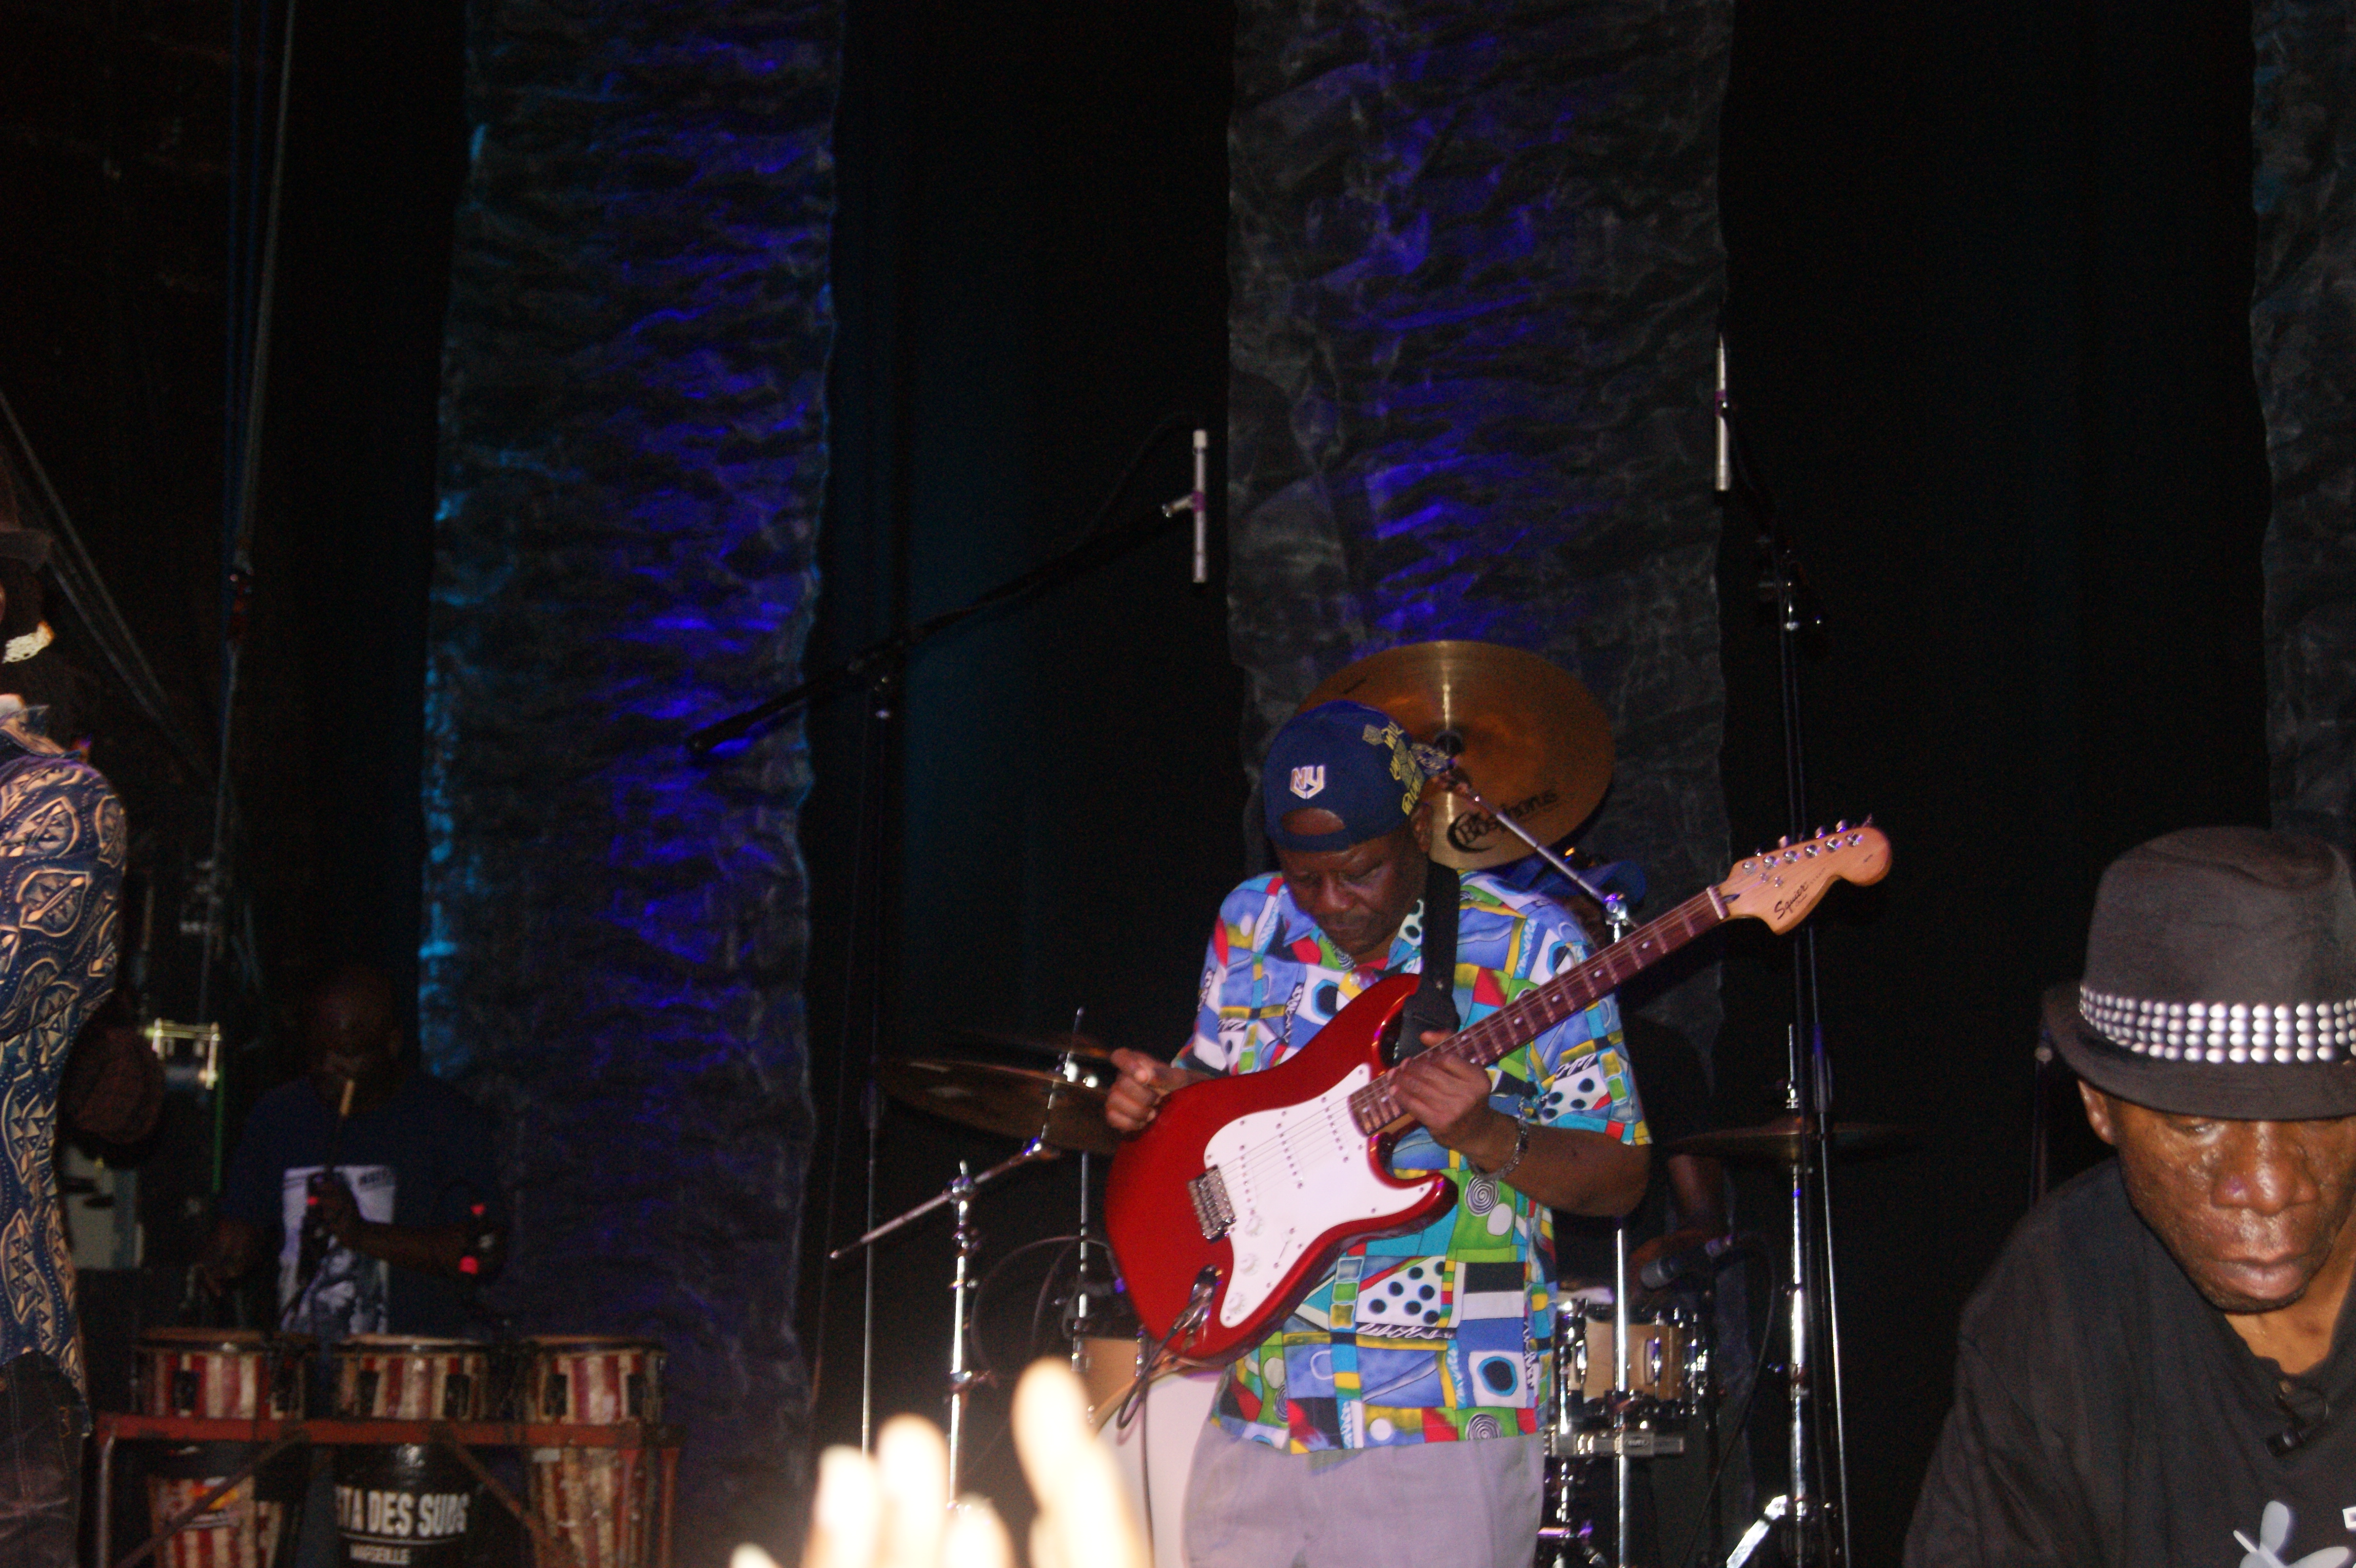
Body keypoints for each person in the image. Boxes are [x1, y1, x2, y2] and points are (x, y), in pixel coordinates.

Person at [1105, 699, 1650, 1568]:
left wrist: (1487, 1136)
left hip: (1441, 1417)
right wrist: (1157, 1105)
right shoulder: (1251, 921)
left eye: (1358, 872)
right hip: (1258, 1407)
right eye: (1304, 877)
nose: (1331, 903)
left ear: (1419, 830)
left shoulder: (1532, 946)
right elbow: (1212, 1102)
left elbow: (1620, 1176)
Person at [1908, 827, 2356, 1566]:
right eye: (2198, 1123)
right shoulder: (2055, 1299)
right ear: (2100, 1107)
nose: (2271, 1185)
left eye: (2320, 1114)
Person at [197, 965, 502, 1341]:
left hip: (408, 1365)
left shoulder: (447, 1120)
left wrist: (363, 1235)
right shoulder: (278, 1116)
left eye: (346, 1054)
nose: (327, 1067)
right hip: (299, 1362)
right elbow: (247, 1220)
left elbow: (481, 1253)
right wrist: (230, 1250)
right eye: (317, 1052)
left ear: (391, 1044)